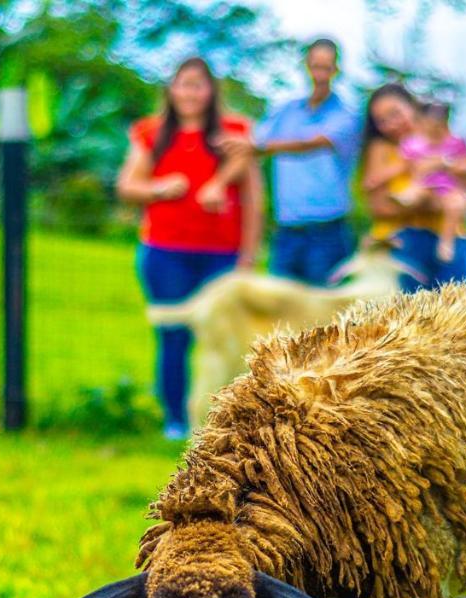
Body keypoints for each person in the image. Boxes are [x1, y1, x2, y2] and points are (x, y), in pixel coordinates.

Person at [116, 57, 263, 440]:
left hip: (222, 255)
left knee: (225, 337)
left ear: (211, 90)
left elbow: (253, 197)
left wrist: (248, 255)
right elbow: (128, 186)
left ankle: (224, 417)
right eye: (184, 84)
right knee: (173, 336)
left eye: (198, 85)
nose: (191, 92)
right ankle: (175, 419)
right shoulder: (152, 133)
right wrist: (160, 188)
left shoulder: (235, 132)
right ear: (171, 89)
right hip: (164, 252)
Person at [217, 38, 360, 285]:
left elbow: (310, 143)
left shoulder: (346, 116)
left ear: (336, 70)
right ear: (306, 66)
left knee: (324, 314)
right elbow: (252, 144)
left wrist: (257, 146)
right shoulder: (286, 111)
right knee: (281, 314)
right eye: (315, 66)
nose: (320, 74)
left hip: (328, 230)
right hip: (287, 230)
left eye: (326, 67)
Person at [360, 83, 466, 293]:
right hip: (404, 243)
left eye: (395, 113)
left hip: (451, 239)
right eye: (381, 121)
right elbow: (379, 207)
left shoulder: (442, 141)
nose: (391, 124)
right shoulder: (382, 149)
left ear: (412, 107)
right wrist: (432, 204)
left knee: (461, 314)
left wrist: (452, 167)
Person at [389, 101, 466, 263]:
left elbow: (463, 167)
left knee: (456, 204)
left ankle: (446, 243)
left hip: (449, 187)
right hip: (426, 185)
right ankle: (405, 199)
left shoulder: (455, 144)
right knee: (415, 190)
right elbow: (411, 165)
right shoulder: (415, 143)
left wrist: (444, 163)